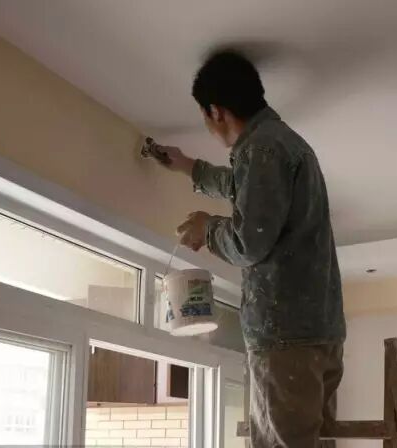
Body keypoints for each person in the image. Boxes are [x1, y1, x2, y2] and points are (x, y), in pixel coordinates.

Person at [157, 49, 346, 448]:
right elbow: (244, 188)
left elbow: (248, 241)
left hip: (285, 338)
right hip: (316, 333)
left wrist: (208, 229)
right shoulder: (282, 145)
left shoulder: (262, 149)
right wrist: (189, 166)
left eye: (205, 117)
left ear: (216, 111)